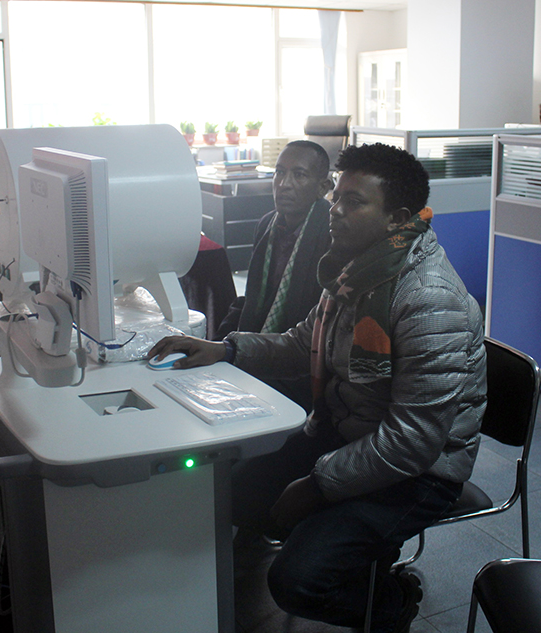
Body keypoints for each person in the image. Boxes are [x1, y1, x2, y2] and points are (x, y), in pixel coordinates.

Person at [149, 143, 487, 633]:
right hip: (351, 434)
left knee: (297, 582)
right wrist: (226, 349)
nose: (335, 210)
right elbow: (301, 343)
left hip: (422, 471)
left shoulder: (430, 300)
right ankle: (357, 558)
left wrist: (318, 485)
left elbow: (414, 441)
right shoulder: (357, 271)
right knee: (234, 493)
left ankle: (391, 601)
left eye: (354, 202)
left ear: (397, 219)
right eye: (337, 198)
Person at [214, 140, 332, 411]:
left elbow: (321, 329)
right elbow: (251, 298)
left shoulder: (332, 233)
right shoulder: (267, 224)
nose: (284, 184)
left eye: (299, 175)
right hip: (254, 349)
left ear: (323, 187)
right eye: (279, 172)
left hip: (299, 364)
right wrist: (217, 344)